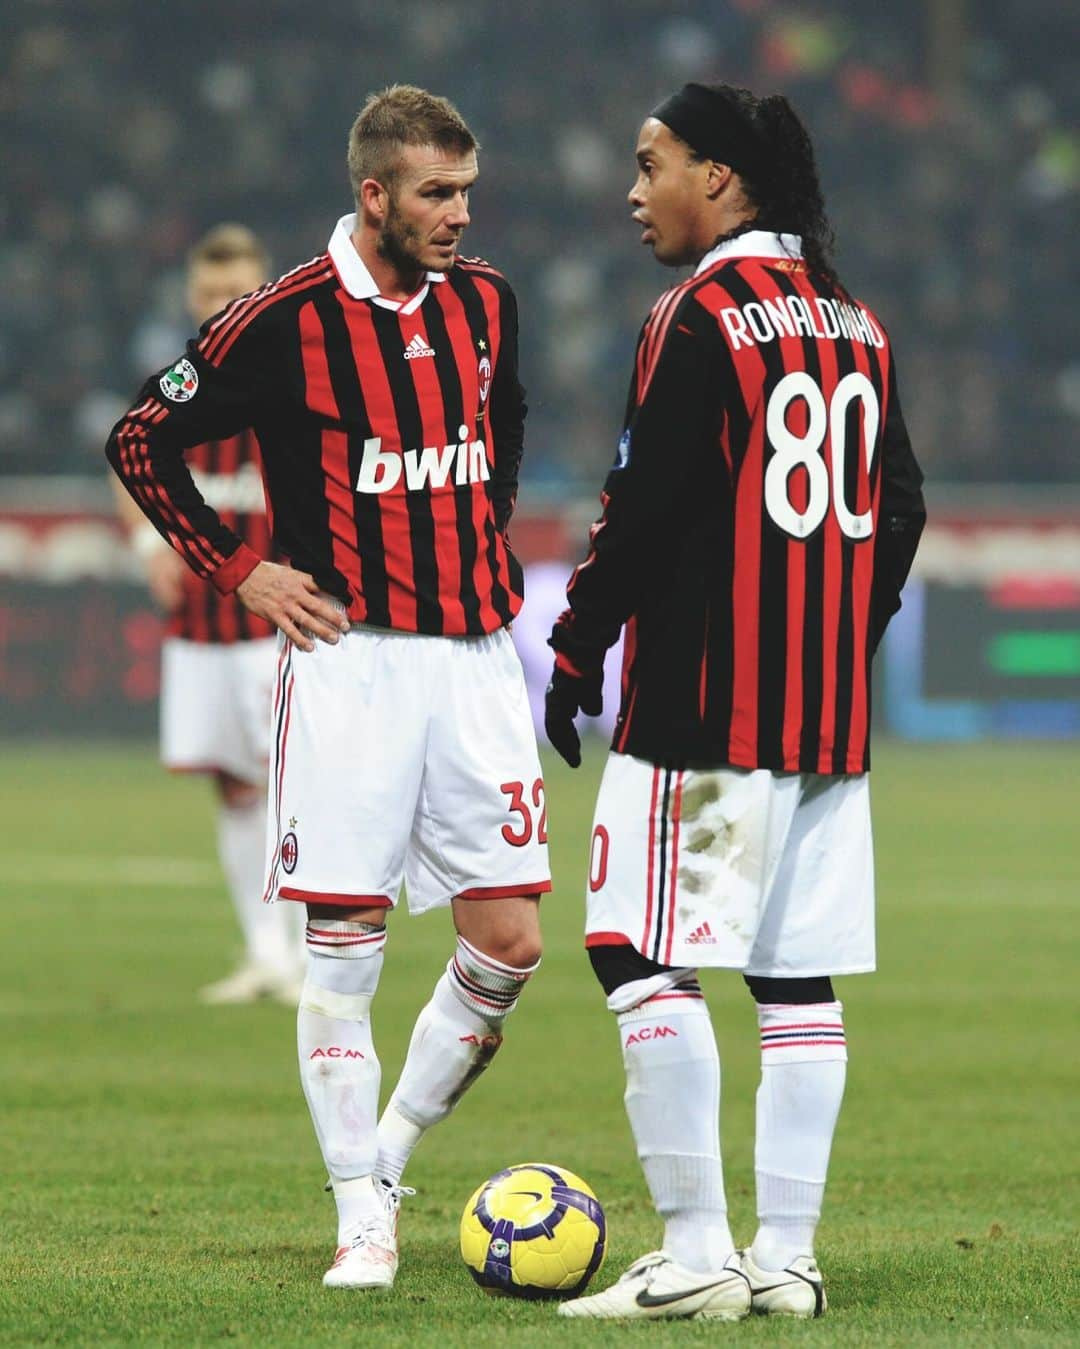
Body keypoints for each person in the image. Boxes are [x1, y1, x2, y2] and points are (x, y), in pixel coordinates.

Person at [106, 85, 549, 1292]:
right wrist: (241, 570)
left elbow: (500, 430)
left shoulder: (491, 302)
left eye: (467, 190)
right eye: (436, 194)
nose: (460, 214)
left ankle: (391, 1150)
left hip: (474, 663)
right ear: (374, 194)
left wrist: (475, 542)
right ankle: (359, 1209)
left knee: (509, 941)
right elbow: (140, 438)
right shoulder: (283, 318)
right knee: (342, 954)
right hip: (352, 668)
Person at [545, 82, 925, 1321]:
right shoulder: (853, 317)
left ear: (720, 178)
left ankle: (697, 1248)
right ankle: (789, 1257)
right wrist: (837, 626)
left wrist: (577, 640)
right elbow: (903, 504)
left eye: (651, 161)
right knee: (793, 976)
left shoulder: (700, 310)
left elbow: (642, 501)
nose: (635, 187)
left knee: (634, 949)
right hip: (825, 714)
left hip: (706, 703)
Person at [113, 224, 305, 1005]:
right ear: (192, 300)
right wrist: (143, 543)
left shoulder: (296, 387)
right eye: (210, 294)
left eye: (239, 292)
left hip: (278, 631)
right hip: (198, 631)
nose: (224, 306)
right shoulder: (173, 389)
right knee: (231, 787)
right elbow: (126, 464)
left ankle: (299, 955)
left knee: (292, 786)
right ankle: (264, 952)